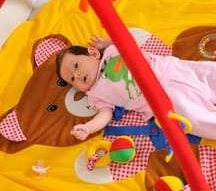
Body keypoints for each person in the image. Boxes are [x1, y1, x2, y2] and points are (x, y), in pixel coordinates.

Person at [56, 33, 216, 141]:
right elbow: (104, 115)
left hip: (176, 69)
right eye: (71, 79)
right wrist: (88, 127)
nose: (76, 75)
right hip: (165, 99)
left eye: (76, 66)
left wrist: (104, 43)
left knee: (210, 73)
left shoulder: (112, 51)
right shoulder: (96, 94)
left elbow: (125, 38)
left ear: (93, 53)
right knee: (195, 120)